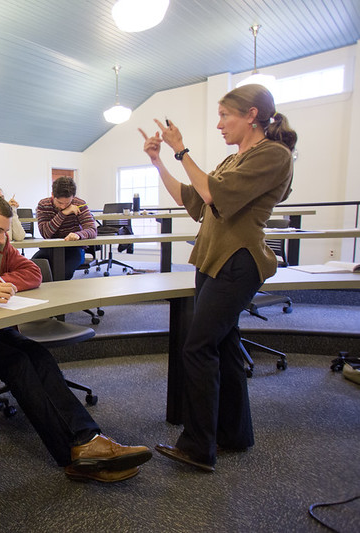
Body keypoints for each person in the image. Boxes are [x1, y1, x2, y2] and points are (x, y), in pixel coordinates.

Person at [0, 194, 152, 483]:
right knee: (18, 363)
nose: (2, 240)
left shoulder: (0, 246)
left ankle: (87, 441)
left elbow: (32, 272)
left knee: (37, 354)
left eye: (4, 232)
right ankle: (74, 454)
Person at [138, 84, 297, 472]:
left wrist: (182, 150)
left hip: (238, 262)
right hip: (211, 259)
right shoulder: (232, 160)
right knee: (223, 346)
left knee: (197, 347)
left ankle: (198, 446)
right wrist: (160, 162)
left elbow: (214, 193)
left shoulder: (273, 156)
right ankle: (235, 434)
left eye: (226, 115)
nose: (219, 124)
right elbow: (190, 197)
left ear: (252, 116)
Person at [33, 177, 97, 280]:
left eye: (67, 203)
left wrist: (78, 235)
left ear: (73, 197)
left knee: (61, 275)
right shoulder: (43, 205)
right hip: (50, 249)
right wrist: (63, 214)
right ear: (53, 195)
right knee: (32, 270)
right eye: (59, 203)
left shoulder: (79, 204)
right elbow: (45, 233)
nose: (63, 206)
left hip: (74, 249)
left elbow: (92, 230)